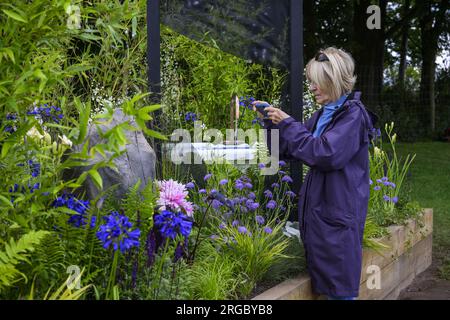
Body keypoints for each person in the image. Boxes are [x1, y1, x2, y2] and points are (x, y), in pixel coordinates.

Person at [253, 47, 378, 300]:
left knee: (341, 291)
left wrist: (288, 123)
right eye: (310, 82)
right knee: (330, 288)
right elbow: (288, 151)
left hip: (338, 216)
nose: (311, 87)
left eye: (316, 82)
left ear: (334, 81)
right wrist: (271, 122)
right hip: (323, 217)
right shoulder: (324, 115)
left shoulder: (352, 116)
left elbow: (325, 154)